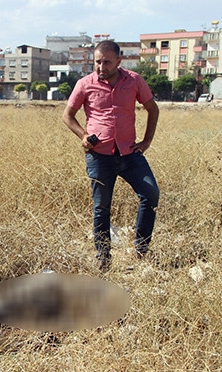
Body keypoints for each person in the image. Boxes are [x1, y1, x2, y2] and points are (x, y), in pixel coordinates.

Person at [62, 40, 160, 271]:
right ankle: (103, 256)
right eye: (98, 61)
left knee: (150, 193)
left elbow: (152, 108)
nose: (101, 67)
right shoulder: (85, 84)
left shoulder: (134, 80)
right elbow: (68, 115)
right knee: (101, 207)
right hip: (99, 156)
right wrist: (83, 136)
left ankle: (142, 249)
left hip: (129, 154)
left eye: (107, 62)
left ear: (119, 61)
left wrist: (146, 142)